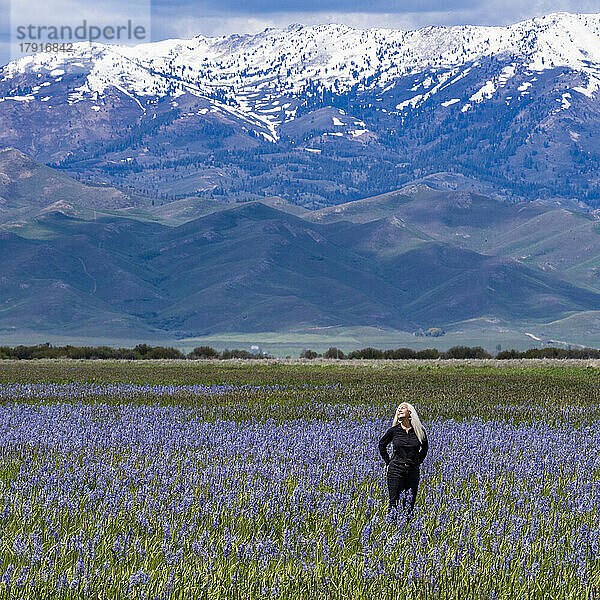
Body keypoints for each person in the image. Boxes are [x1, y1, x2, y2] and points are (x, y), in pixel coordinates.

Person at [378, 402, 428, 514]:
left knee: (410, 502)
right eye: (398, 409)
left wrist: (417, 462)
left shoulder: (419, 430)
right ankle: (392, 526)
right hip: (396, 469)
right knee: (394, 501)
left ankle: (407, 526)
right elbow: (382, 445)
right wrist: (388, 462)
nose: (399, 410)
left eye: (402, 408)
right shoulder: (394, 430)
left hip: (412, 471)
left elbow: (425, 448)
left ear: (410, 413)